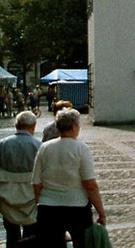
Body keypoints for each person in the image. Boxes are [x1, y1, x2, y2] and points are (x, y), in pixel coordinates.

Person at [32, 106, 106, 248]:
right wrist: (101, 212)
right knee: (82, 243)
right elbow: (90, 185)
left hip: (49, 207)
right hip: (77, 207)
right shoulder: (81, 149)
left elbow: (36, 182)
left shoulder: (44, 148)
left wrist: (39, 203)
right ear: (73, 127)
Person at [0, 110, 41, 247]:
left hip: (7, 195)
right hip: (31, 197)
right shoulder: (38, 146)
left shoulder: (3, 145)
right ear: (33, 127)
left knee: (11, 234)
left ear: (16, 126)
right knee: (31, 233)